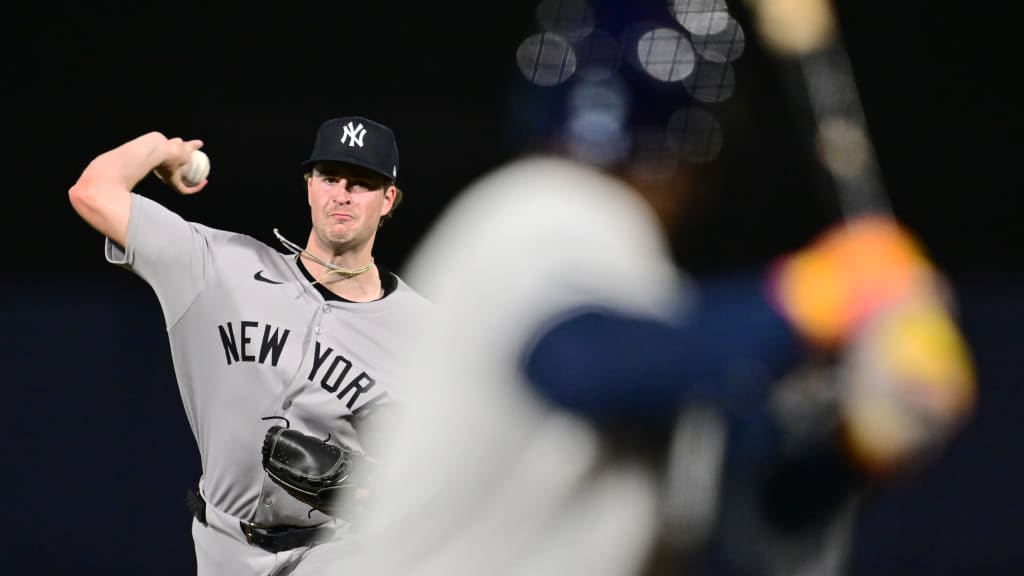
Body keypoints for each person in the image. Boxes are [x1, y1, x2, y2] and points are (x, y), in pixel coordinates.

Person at [67, 115, 433, 576]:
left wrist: (371, 488)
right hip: (222, 545)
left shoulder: (426, 332)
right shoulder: (217, 267)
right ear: (309, 187)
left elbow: (450, 471)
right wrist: (163, 149)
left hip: (337, 553)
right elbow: (92, 191)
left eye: (361, 183)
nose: (341, 194)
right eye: (330, 178)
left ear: (388, 200)